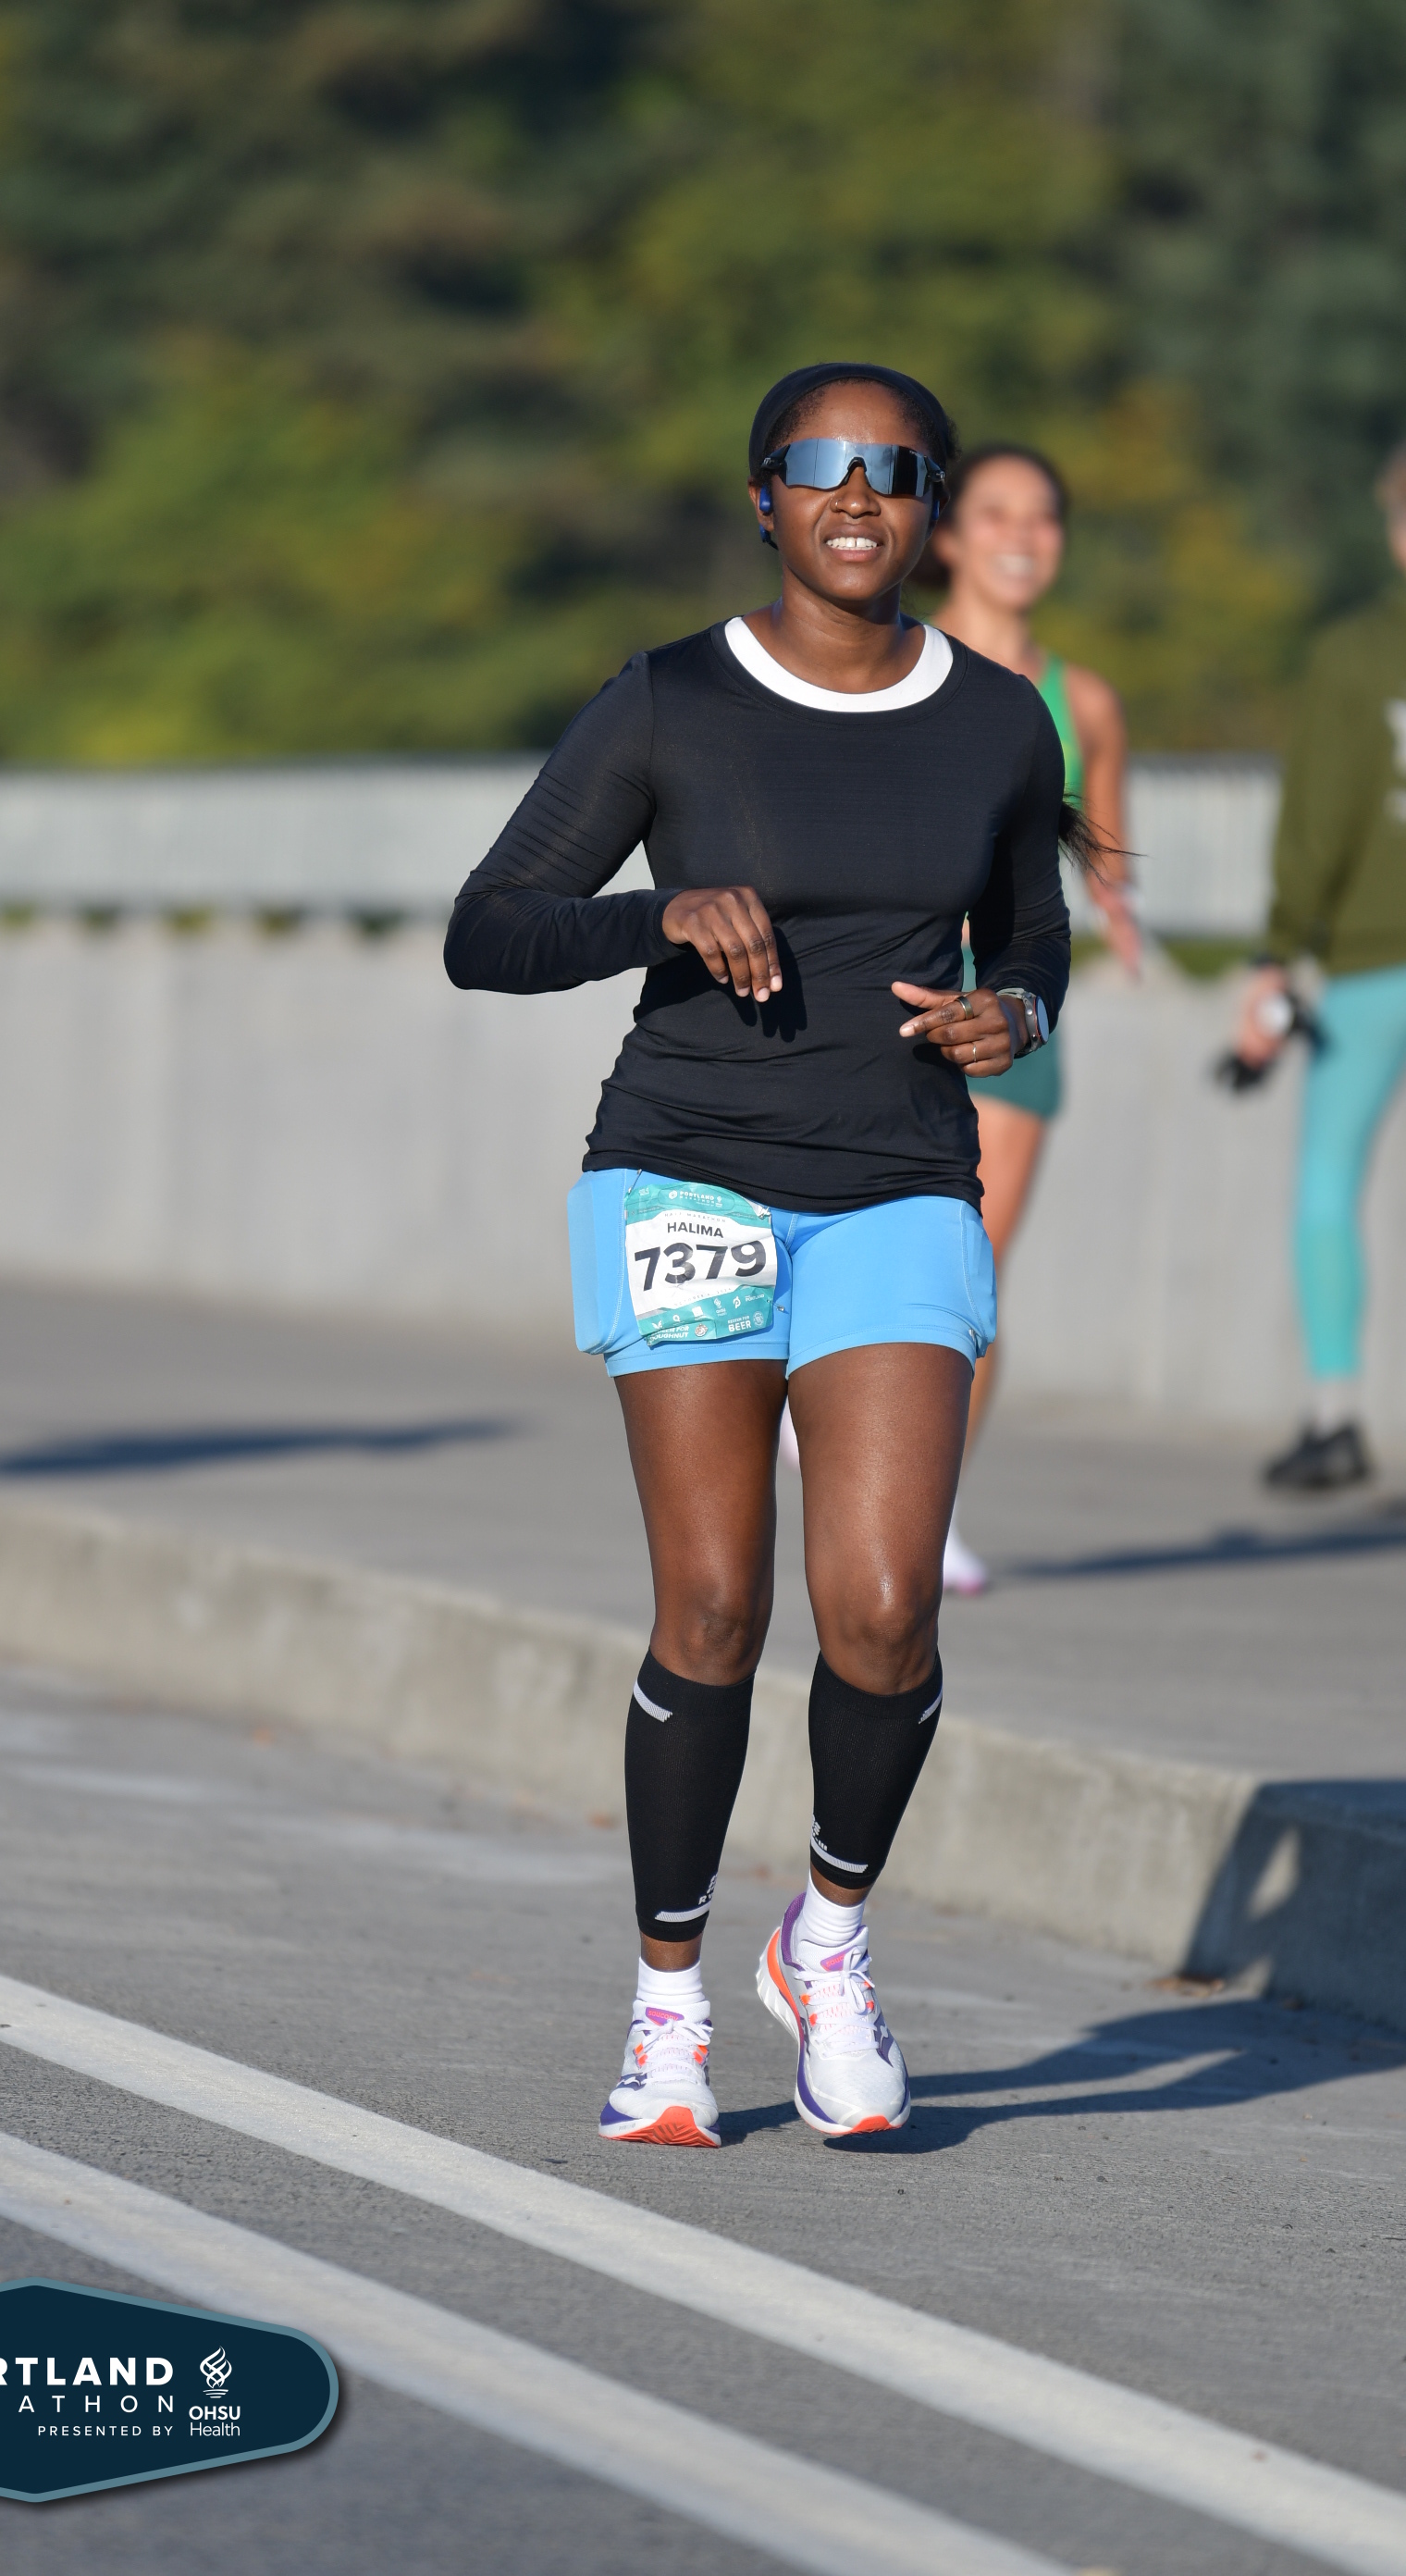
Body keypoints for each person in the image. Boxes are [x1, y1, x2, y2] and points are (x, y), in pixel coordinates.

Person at [446, 363, 1077, 2148]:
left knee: (880, 1606)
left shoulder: (999, 720)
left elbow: (1031, 931)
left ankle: (831, 1937)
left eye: (895, 468)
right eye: (821, 463)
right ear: (764, 497)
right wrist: (659, 911)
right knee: (715, 1604)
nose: (857, 492)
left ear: (930, 504)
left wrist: (1015, 1011)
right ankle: (668, 2006)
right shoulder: (670, 700)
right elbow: (488, 927)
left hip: (898, 1182)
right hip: (686, 1177)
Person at [923, 444, 1138, 1591]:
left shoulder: (1083, 700)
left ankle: (931, 1507)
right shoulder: (895, 661)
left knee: (973, 1263)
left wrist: (1123, 919)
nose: (1020, 535)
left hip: (1008, 999)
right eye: (995, 513)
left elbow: (1101, 851)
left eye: (1042, 516)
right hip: (888, 983)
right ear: (947, 535)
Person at [1234, 442, 1406, 1492]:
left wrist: (1277, 952)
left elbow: (1321, 821)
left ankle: (1335, 1413)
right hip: (1368, 961)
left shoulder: (1356, 653)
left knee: (1327, 1184)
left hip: (1372, 959)